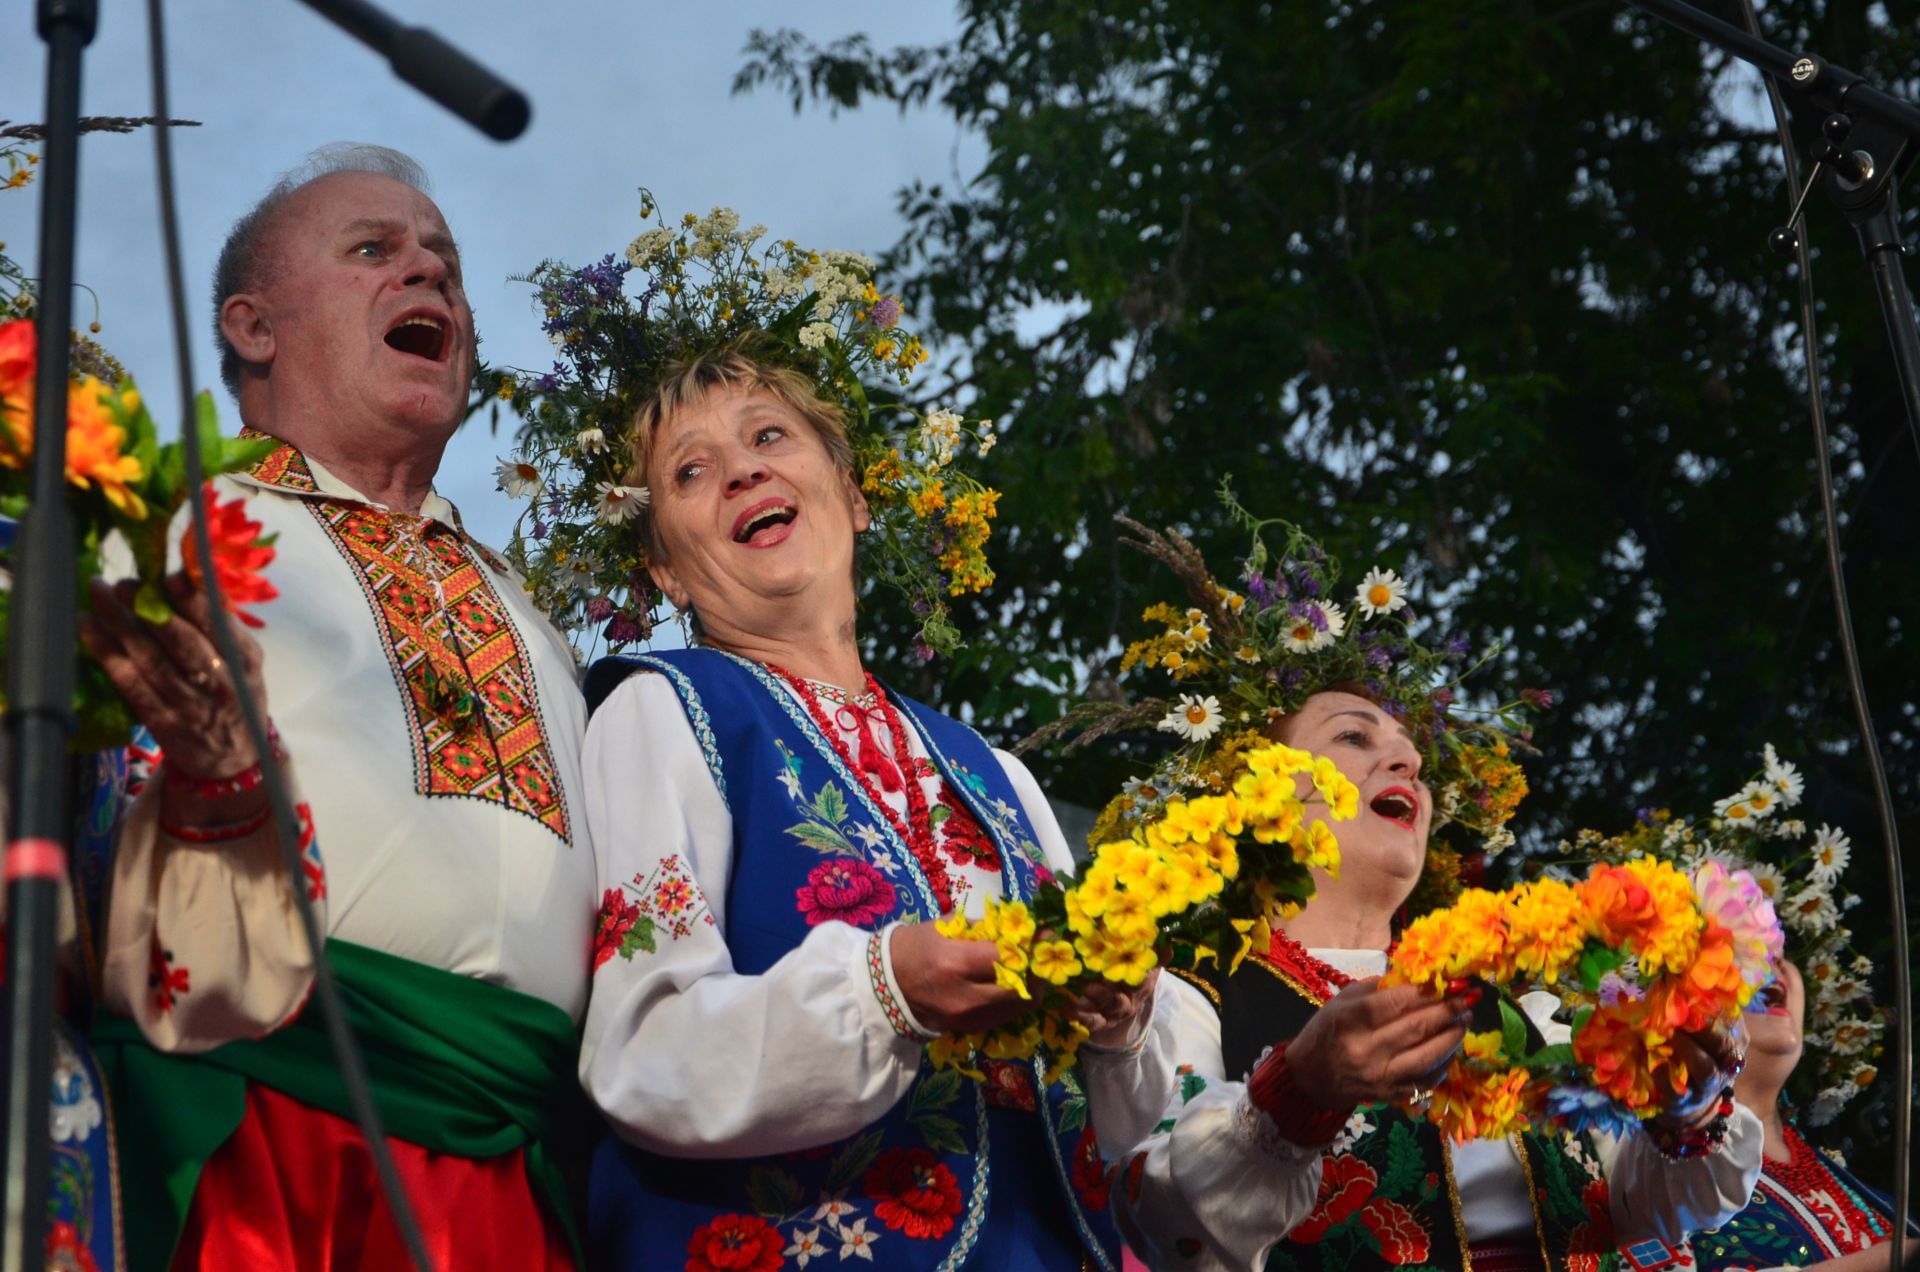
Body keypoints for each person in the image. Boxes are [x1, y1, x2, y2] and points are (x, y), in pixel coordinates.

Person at [80, 144, 592, 1270]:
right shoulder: (167, 531)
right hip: (262, 1127)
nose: (430, 277)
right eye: (376, 251)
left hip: (513, 1161)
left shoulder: (534, 617)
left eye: (446, 266)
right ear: (254, 326)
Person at [1053, 514, 1765, 1271]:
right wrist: (1295, 1094)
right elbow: (1166, 1220)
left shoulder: (1524, 1004)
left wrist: (1685, 1107)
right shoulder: (1189, 995)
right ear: (1254, 792)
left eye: (1414, 759)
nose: (1405, 764)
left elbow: (1647, 1209)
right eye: (1352, 739)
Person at [575, 349, 1131, 1269]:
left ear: (854, 495)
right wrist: (885, 989)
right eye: (691, 471)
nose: (745, 470)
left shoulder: (991, 770)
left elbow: (1126, 1126)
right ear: (665, 571)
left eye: (769, 436)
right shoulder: (663, 709)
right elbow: (644, 1051)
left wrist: (1118, 1010)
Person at [1686, 960, 1913, 1271]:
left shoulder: (1884, 1204)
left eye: (1778, 944)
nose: (1772, 959)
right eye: (1736, 939)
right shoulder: (1637, 1161)